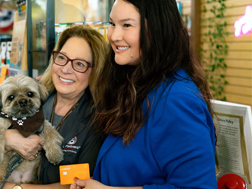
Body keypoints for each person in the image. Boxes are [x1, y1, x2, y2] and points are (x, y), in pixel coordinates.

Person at [71, 0, 217, 188]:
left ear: (158, 29)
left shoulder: (177, 100)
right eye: (112, 24)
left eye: (127, 25)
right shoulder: (136, 84)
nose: (114, 36)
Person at [0, 25, 109, 188]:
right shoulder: (35, 92)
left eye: (79, 64)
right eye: (62, 58)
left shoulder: (96, 121)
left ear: (95, 71)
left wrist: (15, 188)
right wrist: (7, 140)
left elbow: (78, 184)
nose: (65, 69)